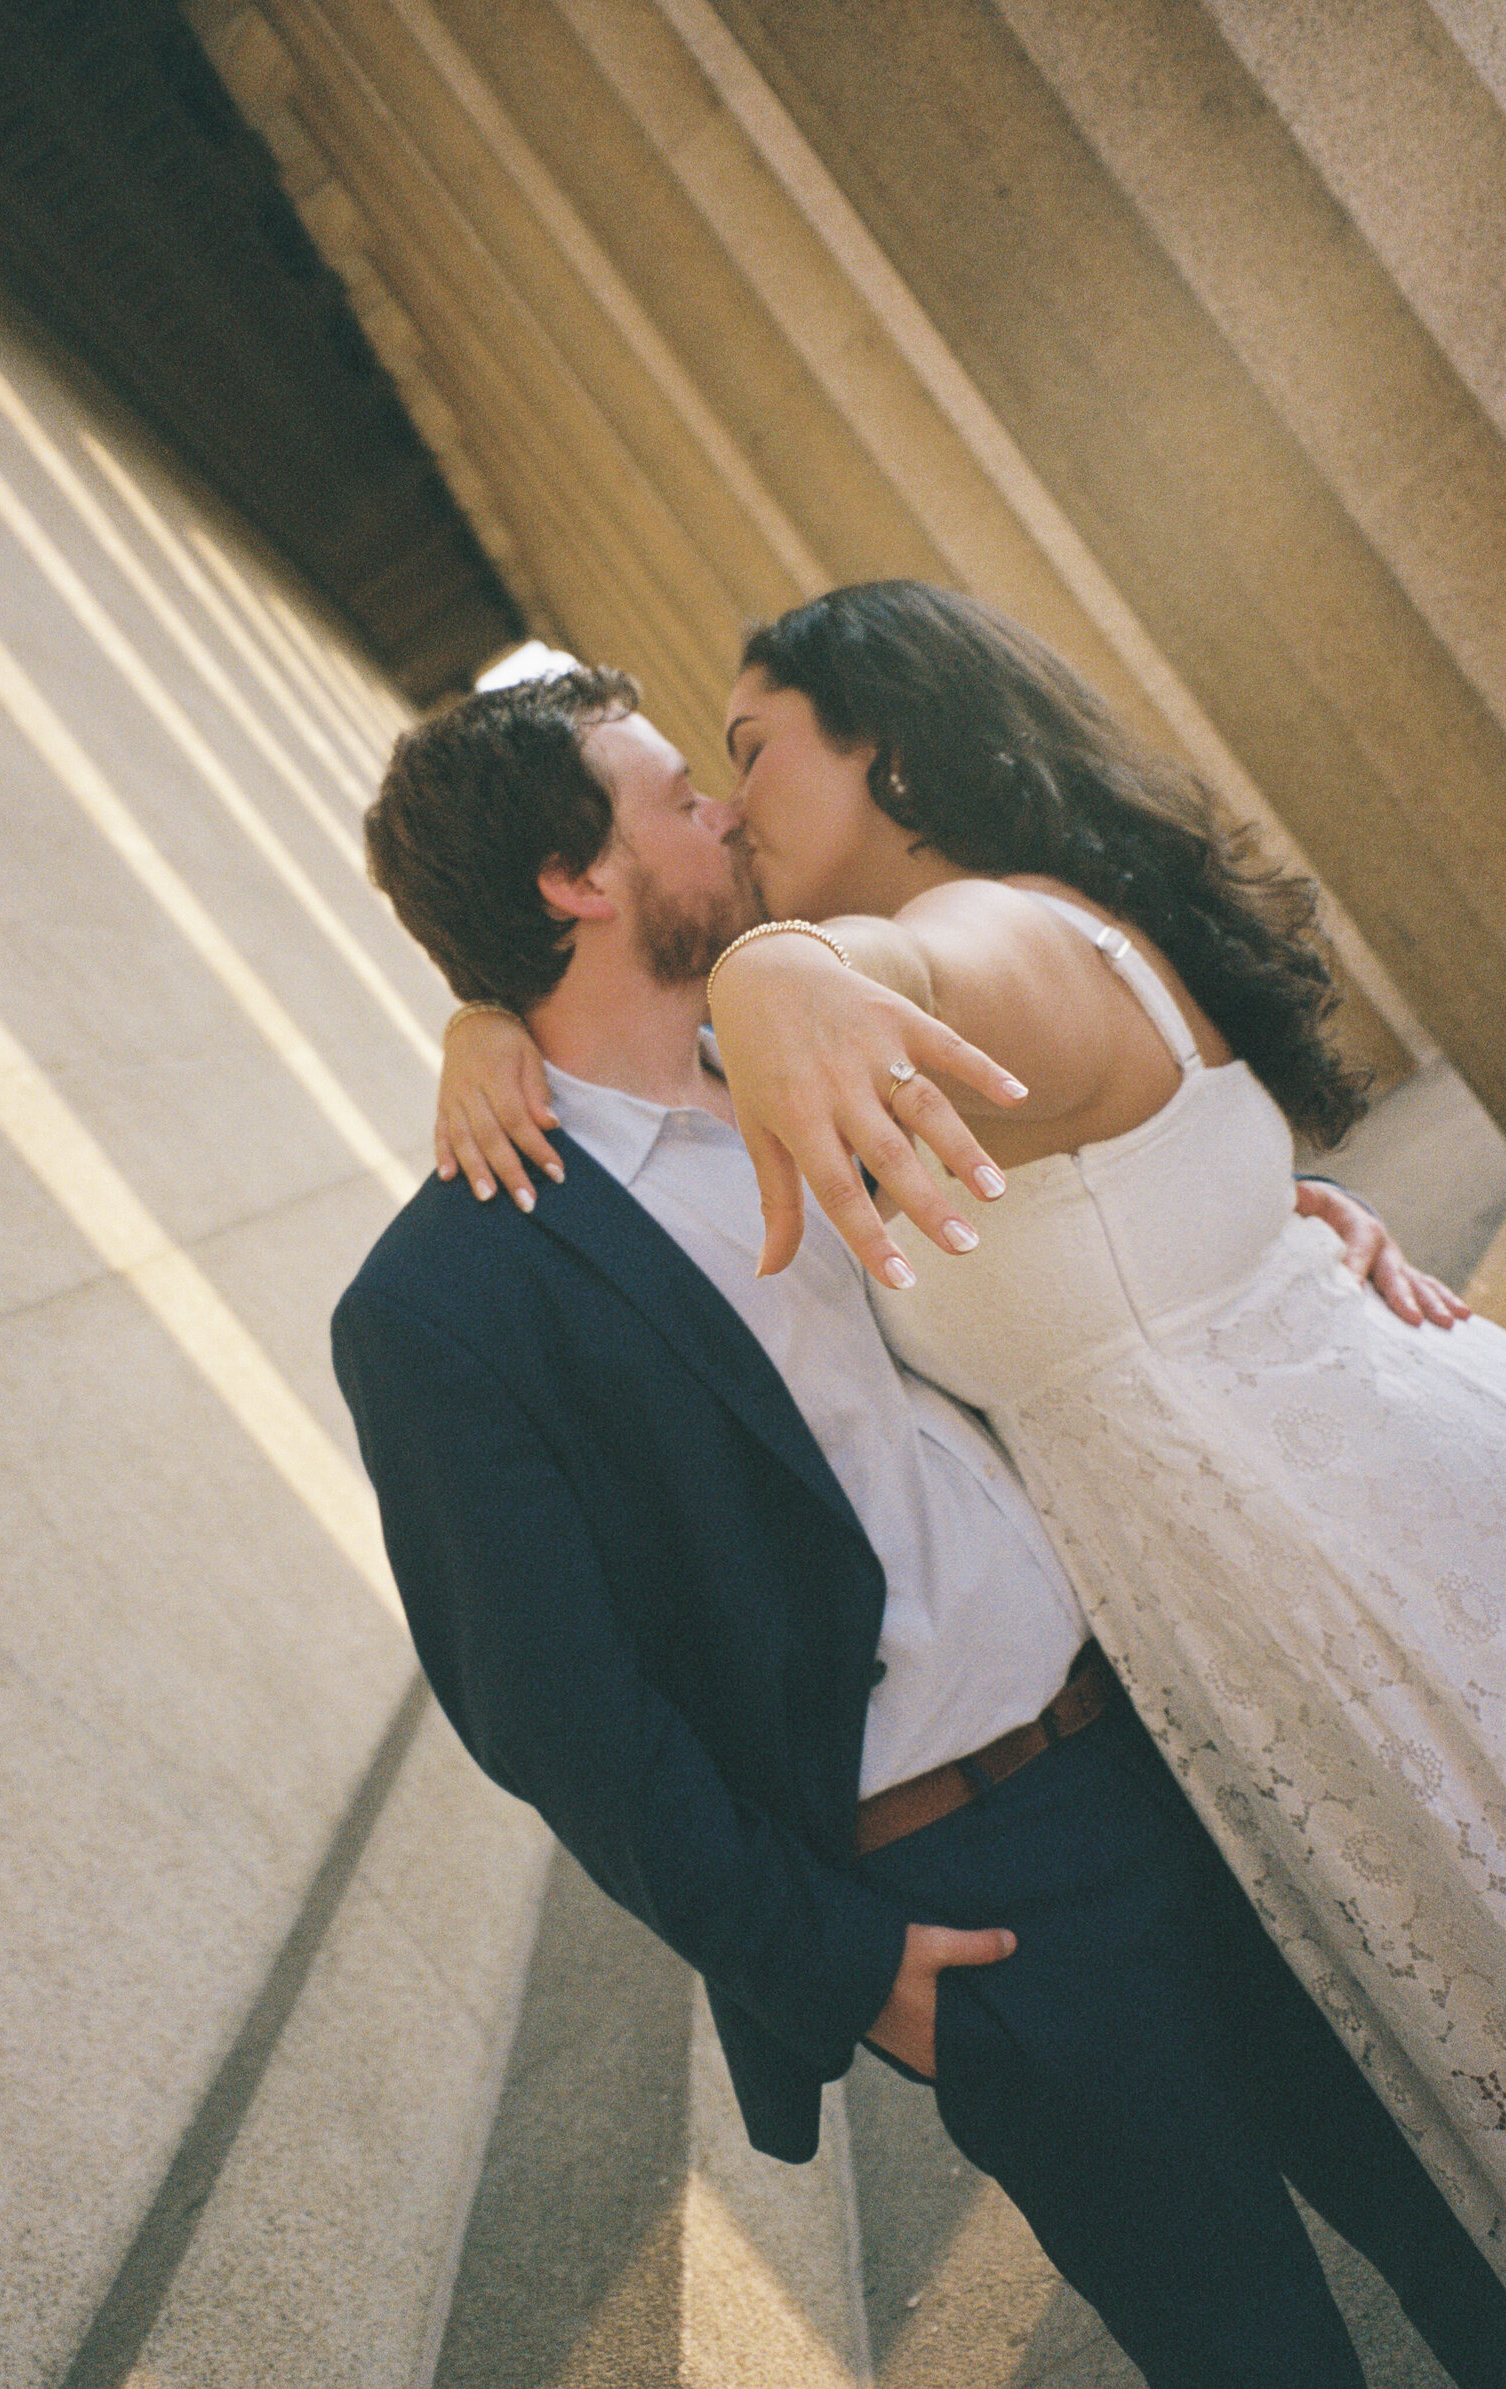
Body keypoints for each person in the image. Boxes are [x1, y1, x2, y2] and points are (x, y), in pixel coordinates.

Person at [336, 666, 1506, 2388]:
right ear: (573, 885)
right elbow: (556, 1716)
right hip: (973, 1894)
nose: (721, 813)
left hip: (1192, 1746)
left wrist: (1292, 1218)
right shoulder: (450, 1299)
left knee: (1459, 2226)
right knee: (1253, 2351)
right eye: (673, 796)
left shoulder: (823, 1062)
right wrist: (856, 1970)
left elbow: (1085, 1227)